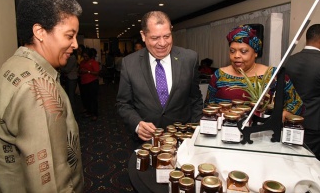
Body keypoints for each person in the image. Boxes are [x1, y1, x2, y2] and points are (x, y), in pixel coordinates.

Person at [0, 0, 84, 192]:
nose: (76, 44)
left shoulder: (13, 64)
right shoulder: (36, 88)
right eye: (69, 35)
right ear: (40, 32)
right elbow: (50, 179)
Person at [116, 11, 203, 142]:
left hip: (183, 138)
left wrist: (195, 132)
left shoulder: (189, 58)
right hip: (146, 140)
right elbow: (123, 104)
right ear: (143, 36)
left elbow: (196, 99)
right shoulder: (129, 63)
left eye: (167, 36)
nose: (162, 43)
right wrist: (137, 124)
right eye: (155, 38)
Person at [204, 24, 304, 121]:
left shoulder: (273, 75)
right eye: (232, 51)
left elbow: (296, 102)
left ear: (255, 53)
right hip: (225, 130)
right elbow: (209, 104)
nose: (236, 56)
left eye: (243, 51)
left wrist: (284, 114)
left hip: (260, 132)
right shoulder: (219, 75)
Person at [285, 24, 320, 160]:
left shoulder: (290, 60)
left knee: (291, 159)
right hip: (314, 124)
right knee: (312, 163)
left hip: (290, 119)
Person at [79, 47, 100, 121]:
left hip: (92, 82)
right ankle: (89, 112)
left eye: (86, 56)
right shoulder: (82, 62)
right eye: (84, 56)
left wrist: (87, 71)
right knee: (86, 99)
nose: (85, 58)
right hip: (84, 82)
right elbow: (80, 70)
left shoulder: (93, 62)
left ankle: (95, 114)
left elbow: (97, 73)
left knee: (93, 99)